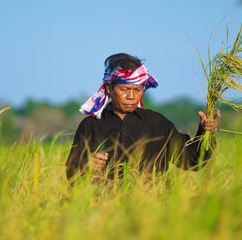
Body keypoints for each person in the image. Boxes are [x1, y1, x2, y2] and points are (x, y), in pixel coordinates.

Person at [66, 53, 220, 184]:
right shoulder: (91, 125)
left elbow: (191, 161)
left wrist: (205, 133)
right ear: (108, 88)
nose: (131, 96)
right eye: (124, 89)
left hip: (153, 211)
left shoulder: (157, 123)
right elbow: (72, 174)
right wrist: (88, 166)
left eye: (137, 89)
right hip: (106, 211)